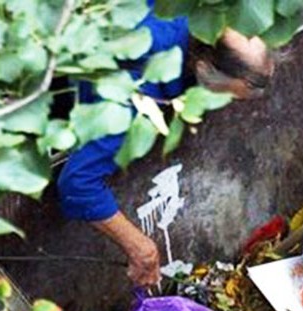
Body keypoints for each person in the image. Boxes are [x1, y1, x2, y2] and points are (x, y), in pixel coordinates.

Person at [57, 0, 275, 288]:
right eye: (229, 97)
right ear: (203, 70)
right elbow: (78, 183)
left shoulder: (205, 13)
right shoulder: (131, 97)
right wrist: (139, 247)